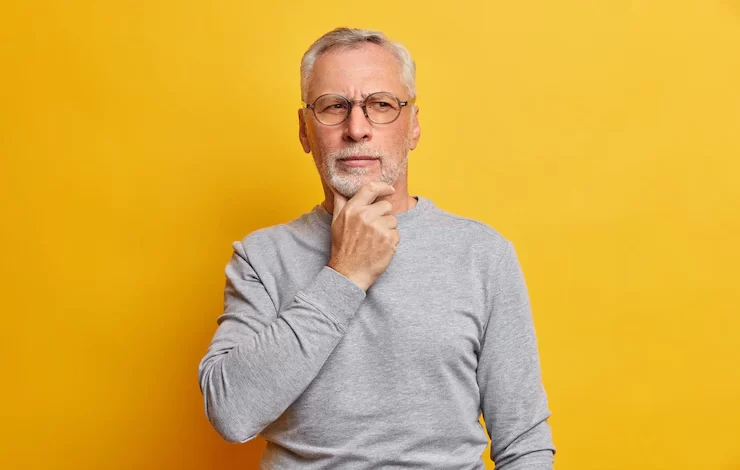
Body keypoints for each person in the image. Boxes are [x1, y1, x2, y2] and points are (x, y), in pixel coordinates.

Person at [198, 27, 555, 469]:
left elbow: (524, 442)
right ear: (305, 130)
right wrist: (344, 276)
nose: (357, 129)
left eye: (381, 105)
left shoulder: (482, 255)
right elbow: (231, 413)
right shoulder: (261, 257)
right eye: (334, 107)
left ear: (414, 126)